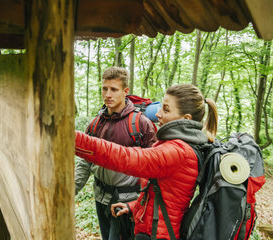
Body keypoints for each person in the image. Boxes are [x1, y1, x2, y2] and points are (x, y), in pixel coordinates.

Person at [75, 84, 218, 240]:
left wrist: (72, 138)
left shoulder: (178, 152)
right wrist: (133, 206)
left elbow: (125, 158)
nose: (158, 114)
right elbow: (166, 197)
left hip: (157, 234)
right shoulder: (180, 145)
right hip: (155, 229)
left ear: (186, 119)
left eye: (166, 109)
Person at [75, 67, 157, 240]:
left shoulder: (140, 124)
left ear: (125, 91)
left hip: (126, 199)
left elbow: (154, 167)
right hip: (100, 197)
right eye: (105, 89)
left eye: (114, 89)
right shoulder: (95, 124)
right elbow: (85, 161)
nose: (108, 94)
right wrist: (70, 191)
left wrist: (139, 203)